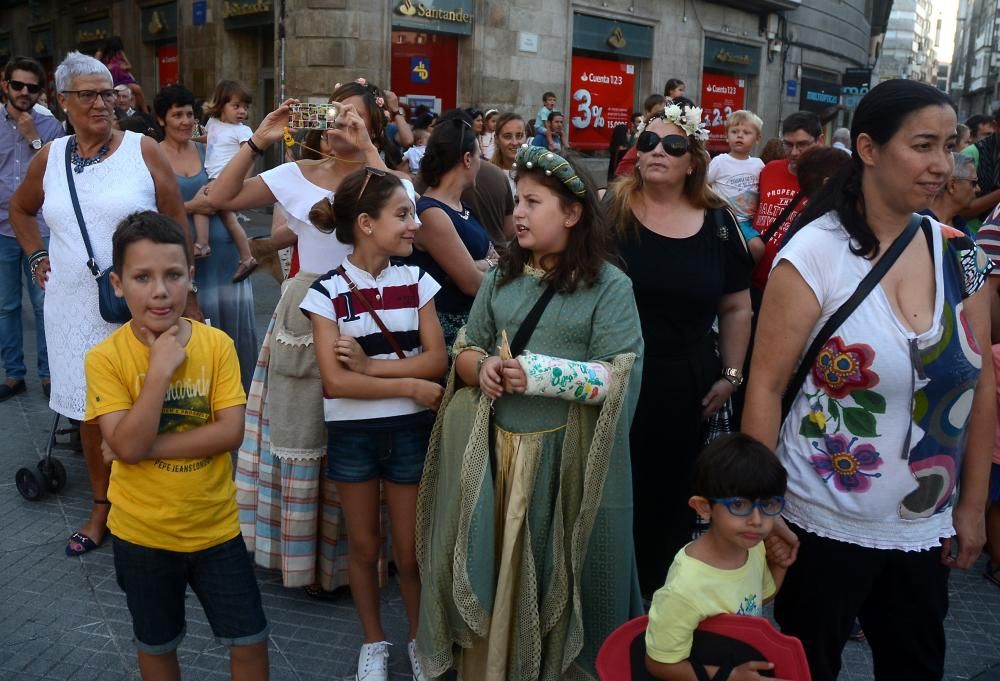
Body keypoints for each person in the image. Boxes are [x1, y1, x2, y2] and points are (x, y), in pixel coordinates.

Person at [743, 79, 994, 681]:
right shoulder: (815, 255)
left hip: (922, 528)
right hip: (818, 521)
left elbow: (981, 385)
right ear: (869, 148)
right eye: (924, 145)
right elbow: (766, 387)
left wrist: (974, 508)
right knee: (811, 666)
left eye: (950, 147)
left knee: (916, 665)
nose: (942, 166)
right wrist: (759, 506)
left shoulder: (961, 255)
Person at [416, 145, 644, 680]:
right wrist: (481, 370)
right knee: (496, 577)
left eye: (533, 201)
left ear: (572, 213)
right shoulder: (501, 276)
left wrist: (539, 373)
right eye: (518, 200)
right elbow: (466, 346)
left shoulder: (611, 287)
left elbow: (621, 375)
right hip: (495, 459)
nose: (518, 212)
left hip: (561, 465)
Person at [210, 80, 402, 595]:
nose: (341, 123)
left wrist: (366, 150)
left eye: (354, 117)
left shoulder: (379, 183)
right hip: (304, 311)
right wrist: (260, 138)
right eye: (336, 113)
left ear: (373, 126)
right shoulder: (296, 174)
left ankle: (354, 560)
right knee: (303, 431)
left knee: (359, 432)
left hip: (368, 311)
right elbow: (219, 197)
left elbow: (411, 221)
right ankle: (303, 561)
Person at [9, 51, 193, 557]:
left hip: (143, 306)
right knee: (93, 413)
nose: (102, 102)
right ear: (62, 101)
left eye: (108, 91)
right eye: (88, 94)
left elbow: (176, 223)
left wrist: (184, 295)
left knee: (156, 403)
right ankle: (103, 507)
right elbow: (21, 210)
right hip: (73, 305)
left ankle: (160, 504)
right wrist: (37, 254)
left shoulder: (145, 150)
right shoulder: (49, 157)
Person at [86, 211, 268, 681]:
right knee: (157, 644)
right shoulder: (105, 359)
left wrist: (140, 447)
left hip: (217, 529)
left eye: (173, 275)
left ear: (191, 276)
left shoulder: (216, 345)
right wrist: (161, 369)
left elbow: (231, 432)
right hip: (141, 536)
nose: (160, 291)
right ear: (118, 283)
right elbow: (120, 444)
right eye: (142, 277)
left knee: (249, 640)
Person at [302, 168, 447, 681]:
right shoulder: (325, 293)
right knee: (364, 549)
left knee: (409, 554)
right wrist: (405, 385)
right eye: (403, 215)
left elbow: (437, 361)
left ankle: (416, 639)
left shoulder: (417, 280)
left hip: (408, 434)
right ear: (366, 223)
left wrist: (372, 368)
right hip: (354, 435)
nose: (414, 224)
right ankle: (372, 642)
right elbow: (336, 383)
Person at [606, 104, 753, 595]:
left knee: (670, 504)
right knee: (612, 499)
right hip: (614, 381)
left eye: (672, 145)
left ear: (693, 160)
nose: (656, 152)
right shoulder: (611, 211)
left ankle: (657, 611)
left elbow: (736, 307)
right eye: (647, 142)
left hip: (686, 388)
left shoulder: (719, 223)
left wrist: (730, 376)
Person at [644, 433, 789, 681]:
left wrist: (780, 565)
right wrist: (731, 676)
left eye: (768, 504)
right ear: (704, 507)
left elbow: (755, 601)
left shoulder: (752, 548)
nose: (756, 520)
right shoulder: (685, 588)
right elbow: (659, 664)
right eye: (739, 505)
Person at [155, 84, 258, 389]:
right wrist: (190, 206)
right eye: (177, 115)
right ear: (162, 120)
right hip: (185, 258)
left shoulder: (207, 149)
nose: (186, 121)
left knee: (233, 332)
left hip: (224, 252)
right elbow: (148, 210)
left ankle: (239, 400)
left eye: (189, 114)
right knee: (198, 327)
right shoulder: (152, 156)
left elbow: (241, 182)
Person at [1, 56, 63, 402]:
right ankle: (13, 375)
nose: (25, 92)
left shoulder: (50, 127)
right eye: (18, 85)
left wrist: (33, 138)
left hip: (41, 230)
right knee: (6, 306)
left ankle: (49, 374)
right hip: (1, 232)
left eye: (33, 87)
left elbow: (55, 171)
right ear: (5, 85)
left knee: (45, 304)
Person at [409, 111, 494, 346]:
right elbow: (471, 283)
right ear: (467, 159)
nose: (481, 162)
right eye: (479, 155)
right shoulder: (432, 213)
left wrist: (478, 265)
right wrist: (487, 264)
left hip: (471, 327)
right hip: (446, 335)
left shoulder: (460, 206)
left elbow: (487, 263)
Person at [750, 111, 823, 300]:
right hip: (754, 282)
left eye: (802, 145)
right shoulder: (769, 169)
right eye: (788, 144)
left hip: (793, 290)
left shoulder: (825, 182)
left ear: (820, 141)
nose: (794, 152)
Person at [200, 79, 258, 283]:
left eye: (245, 107)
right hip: (213, 175)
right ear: (221, 105)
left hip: (226, 178)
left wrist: (243, 181)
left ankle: (247, 257)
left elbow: (249, 155)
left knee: (226, 217)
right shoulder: (213, 123)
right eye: (236, 106)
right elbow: (209, 140)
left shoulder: (243, 131)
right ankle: (202, 243)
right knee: (202, 206)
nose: (242, 111)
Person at [706, 109, 766, 263]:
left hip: (749, 221)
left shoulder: (758, 165)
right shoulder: (720, 162)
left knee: (757, 249)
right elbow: (703, 184)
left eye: (746, 132)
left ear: (757, 139)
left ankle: (747, 276)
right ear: (727, 136)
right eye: (734, 131)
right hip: (726, 219)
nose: (740, 135)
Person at [614, 94, 670, 177]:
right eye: (658, 113)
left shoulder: (671, 133)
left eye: (666, 113)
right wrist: (646, 173)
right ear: (648, 114)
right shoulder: (646, 138)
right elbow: (622, 168)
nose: (662, 117)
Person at [923, 152, 978, 235]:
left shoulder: (960, 225)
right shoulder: (920, 225)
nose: (978, 189)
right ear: (952, 185)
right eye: (973, 183)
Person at [95, 36, 146, 113]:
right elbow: (95, 67)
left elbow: (129, 66)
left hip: (123, 78)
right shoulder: (101, 54)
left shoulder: (119, 52)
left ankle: (144, 111)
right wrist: (107, 68)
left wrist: (123, 66)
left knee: (137, 89)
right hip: (110, 79)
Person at [490, 112, 526, 198]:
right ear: (496, 139)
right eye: (507, 136)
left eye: (519, 136)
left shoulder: (535, 174)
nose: (514, 142)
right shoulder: (488, 174)